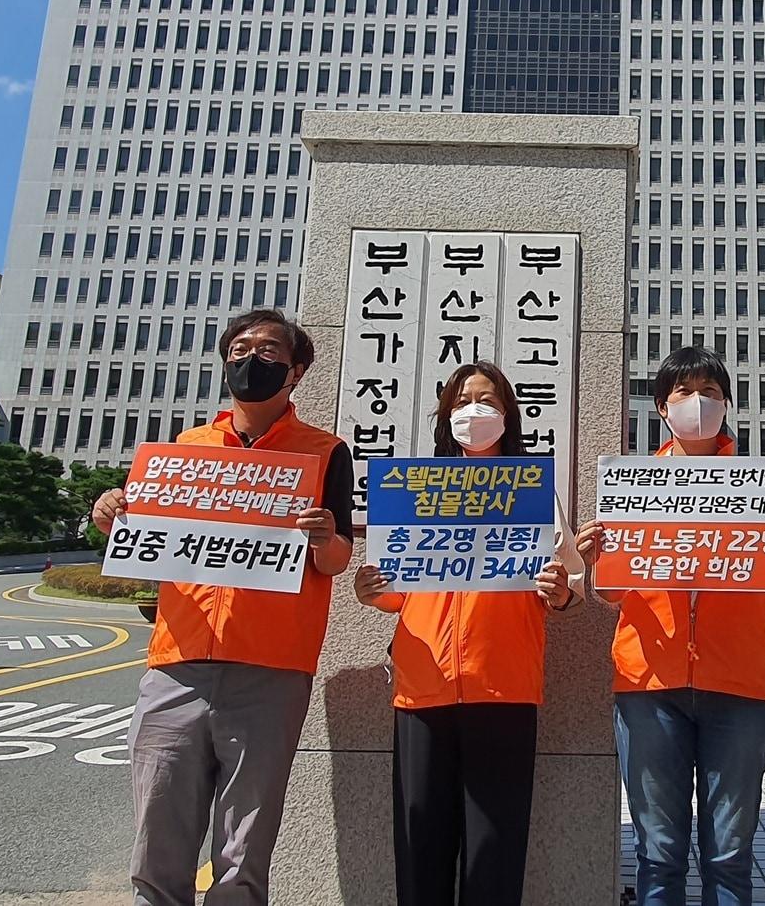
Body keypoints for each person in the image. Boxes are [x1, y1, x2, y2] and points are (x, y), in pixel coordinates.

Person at [91, 308, 354, 906]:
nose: (249, 359)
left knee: (245, 843)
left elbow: (337, 559)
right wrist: (112, 511)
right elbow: (146, 539)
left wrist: (323, 536)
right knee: (159, 834)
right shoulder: (185, 451)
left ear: (297, 371)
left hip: (272, 669)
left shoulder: (324, 451)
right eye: (239, 348)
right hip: (177, 661)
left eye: (266, 351)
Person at [576, 346, 765, 906]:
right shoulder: (632, 489)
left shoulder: (756, 488)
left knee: (729, 854)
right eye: (684, 392)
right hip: (649, 687)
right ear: (661, 407)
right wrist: (592, 561)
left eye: (710, 392)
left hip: (741, 687)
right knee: (659, 852)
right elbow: (608, 594)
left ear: (726, 405)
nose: (698, 402)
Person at [353, 360, 584, 906]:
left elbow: (569, 581)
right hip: (422, 685)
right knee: (420, 844)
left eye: (488, 401)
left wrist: (562, 591)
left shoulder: (532, 490)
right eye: (461, 402)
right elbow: (397, 587)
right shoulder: (417, 489)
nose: (474, 411)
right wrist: (371, 589)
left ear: (508, 415)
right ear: (444, 416)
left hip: (503, 684)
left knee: (494, 848)